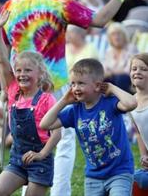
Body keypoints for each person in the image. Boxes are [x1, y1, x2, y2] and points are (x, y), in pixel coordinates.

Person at [2, 0, 140, 195]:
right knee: (64, 143)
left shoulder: (9, 7)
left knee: (30, 142)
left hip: (23, 86)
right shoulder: (58, 4)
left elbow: (7, 51)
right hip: (56, 86)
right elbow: (99, 20)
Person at [40, 58, 137, 196]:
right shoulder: (74, 110)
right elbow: (45, 124)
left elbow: (132, 103)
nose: (75, 88)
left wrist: (112, 88)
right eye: (72, 84)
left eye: (80, 83)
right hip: (93, 177)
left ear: (97, 86)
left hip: (120, 172)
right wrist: (64, 100)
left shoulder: (110, 103)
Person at [0, 11, 61, 196]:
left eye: (28, 70)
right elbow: (2, 62)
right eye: (19, 70)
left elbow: (56, 134)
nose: (22, 74)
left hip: (40, 161)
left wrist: (41, 154)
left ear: (40, 74)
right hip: (17, 157)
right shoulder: (14, 91)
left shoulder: (47, 99)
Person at [129, 53, 148, 192]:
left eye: (143, 69)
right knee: (132, 179)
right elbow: (139, 132)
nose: (137, 72)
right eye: (134, 68)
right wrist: (144, 156)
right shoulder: (131, 101)